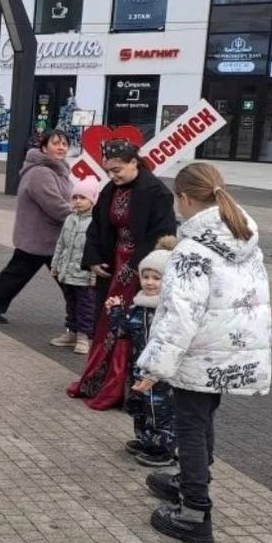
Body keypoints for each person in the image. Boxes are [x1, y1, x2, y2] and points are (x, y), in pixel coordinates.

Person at [137, 163, 272, 543]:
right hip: (231, 350)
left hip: (199, 352)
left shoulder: (191, 251)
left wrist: (154, 367)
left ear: (183, 199)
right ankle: (190, 482)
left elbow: (181, 315)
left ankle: (195, 512)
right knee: (202, 419)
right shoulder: (244, 237)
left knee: (190, 428)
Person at [68, 140, 176, 403]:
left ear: (133, 163)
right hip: (113, 261)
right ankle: (99, 379)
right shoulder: (109, 191)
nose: (112, 176)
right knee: (106, 320)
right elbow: (97, 227)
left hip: (143, 269)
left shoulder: (157, 193)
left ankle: (125, 387)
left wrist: (138, 268)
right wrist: (93, 259)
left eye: (117, 170)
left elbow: (161, 234)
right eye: (108, 171)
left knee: (131, 324)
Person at [0, 129, 73, 324]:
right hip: (39, 237)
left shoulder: (58, 169)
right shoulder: (41, 172)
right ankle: (81, 317)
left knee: (20, 274)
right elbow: (54, 205)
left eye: (64, 144)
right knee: (67, 279)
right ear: (44, 148)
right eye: (55, 143)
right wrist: (80, 218)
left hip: (47, 236)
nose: (61, 147)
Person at [113, 237, 177, 467]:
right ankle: (146, 439)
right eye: (145, 277)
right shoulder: (138, 305)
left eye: (157, 278)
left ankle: (164, 448)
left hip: (160, 371)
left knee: (159, 409)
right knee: (140, 405)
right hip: (139, 366)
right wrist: (116, 313)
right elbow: (123, 332)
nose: (149, 283)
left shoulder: (170, 309)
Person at [49, 176, 100, 355]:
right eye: (75, 197)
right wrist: (55, 266)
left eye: (83, 198)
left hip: (84, 275)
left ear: (93, 199)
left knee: (85, 307)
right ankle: (71, 333)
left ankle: (84, 337)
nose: (77, 201)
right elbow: (61, 244)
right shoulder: (70, 219)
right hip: (67, 272)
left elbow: (98, 251)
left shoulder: (96, 222)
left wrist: (95, 275)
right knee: (71, 305)